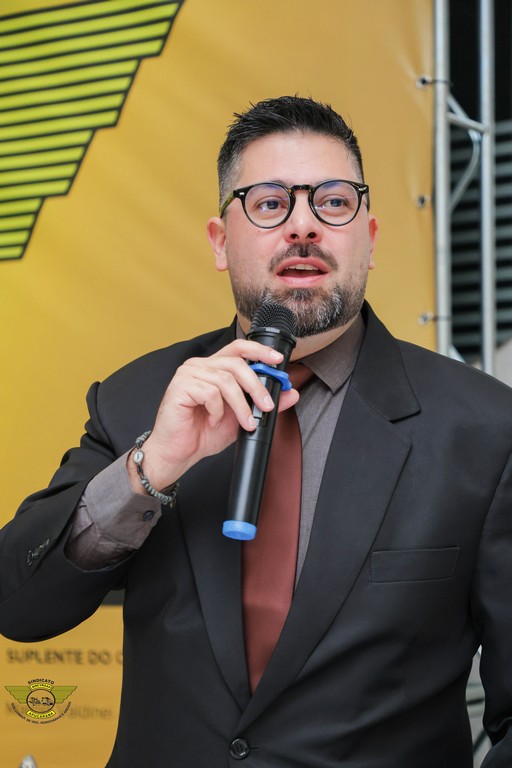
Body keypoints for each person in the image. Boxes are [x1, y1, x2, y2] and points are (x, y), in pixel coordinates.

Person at [1, 95, 511, 768]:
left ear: (370, 238)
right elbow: (20, 606)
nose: (303, 226)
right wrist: (148, 470)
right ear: (220, 242)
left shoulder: (483, 429)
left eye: (333, 202)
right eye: (270, 203)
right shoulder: (138, 399)